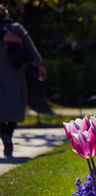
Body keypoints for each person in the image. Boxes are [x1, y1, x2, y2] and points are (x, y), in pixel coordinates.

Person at [0, 4, 47, 157]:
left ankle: (5, 136)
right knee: (15, 106)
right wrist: (39, 64)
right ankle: (8, 135)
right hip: (14, 73)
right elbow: (30, 46)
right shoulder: (16, 28)